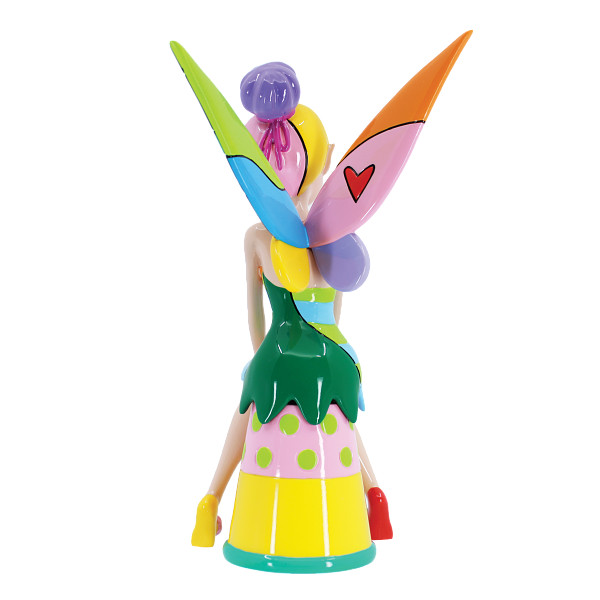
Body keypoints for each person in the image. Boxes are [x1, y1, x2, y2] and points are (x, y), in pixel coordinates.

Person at [190, 62, 392, 573]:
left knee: (247, 405)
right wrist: (331, 346)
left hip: (280, 348)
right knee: (341, 413)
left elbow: (254, 314)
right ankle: (374, 492)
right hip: (335, 350)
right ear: (325, 158)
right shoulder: (334, 231)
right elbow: (335, 309)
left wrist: (263, 358)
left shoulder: (258, 237)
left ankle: (210, 500)